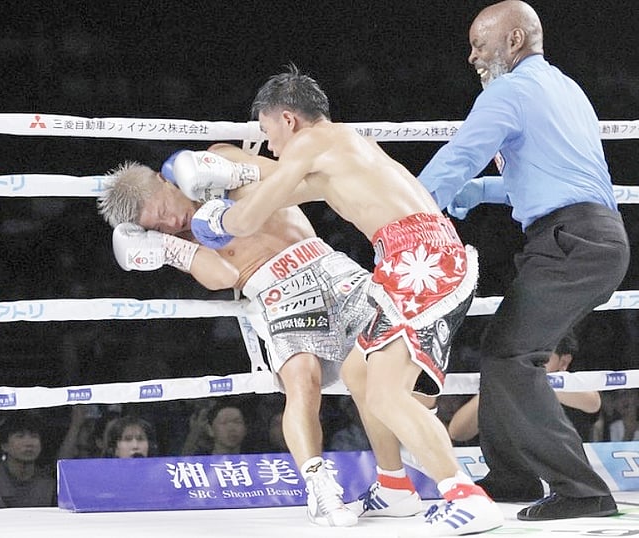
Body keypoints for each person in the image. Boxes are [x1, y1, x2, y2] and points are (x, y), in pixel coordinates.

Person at [187, 65, 503, 536]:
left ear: (289, 119)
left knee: (387, 394)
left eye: (268, 131)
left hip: (421, 261)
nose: (269, 144)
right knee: (358, 372)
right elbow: (279, 188)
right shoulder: (341, 149)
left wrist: (215, 222)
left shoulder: (315, 141)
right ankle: (394, 487)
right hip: (409, 259)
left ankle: (466, 496)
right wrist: (225, 167)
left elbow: (250, 217)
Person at [415, 0, 630, 521]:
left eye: (479, 44)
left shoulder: (508, 91)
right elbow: (544, 177)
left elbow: (460, 155)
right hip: (589, 236)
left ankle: (583, 491)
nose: (472, 57)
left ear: (513, 40)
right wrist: (476, 191)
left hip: (571, 240)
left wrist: (406, 210)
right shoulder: (565, 89)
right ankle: (512, 476)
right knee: (502, 348)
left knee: (514, 355)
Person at [98, 144, 374, 527]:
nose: (170, 222)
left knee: (395, 356)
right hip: (277, 293)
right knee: (302, 380)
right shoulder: (183, 238)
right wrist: (167, 246)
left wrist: (233, 174)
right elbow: (222, 276)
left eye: (162, 211)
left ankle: (402, 473)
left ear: (164, 180)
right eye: (157, 228)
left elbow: (286, 178)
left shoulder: (217, 159)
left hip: (323, 261)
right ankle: (319, 487)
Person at [448, 332, 601, 444]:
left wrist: (536, 381)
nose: (528, 363)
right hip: (511, 472)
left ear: (564, 362)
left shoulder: (569, 386)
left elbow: (593, 402)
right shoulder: (503, 381)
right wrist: (496, 385)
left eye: (539, 357)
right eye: (523, 355)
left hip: (563, 471)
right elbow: (457, 432)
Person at [0, 412, 56, 508]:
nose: (29, 444)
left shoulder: (49, 484)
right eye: (20, 436)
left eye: (34, 436)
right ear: (4, 445)